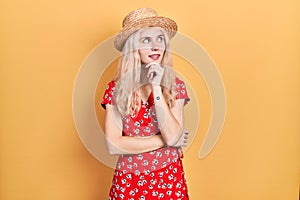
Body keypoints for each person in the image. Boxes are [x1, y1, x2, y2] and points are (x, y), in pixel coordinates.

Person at [101, 7, 190, 200]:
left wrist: (157, 87)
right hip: (129, 182)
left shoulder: (176, 87)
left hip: (169, 181)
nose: (156, 46)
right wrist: (165, 141)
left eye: (159, 39)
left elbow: (174, 134)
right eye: (146, 40)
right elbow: (113, 145)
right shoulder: (115, 90)